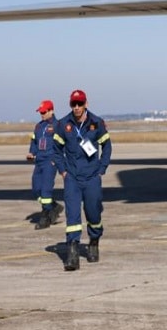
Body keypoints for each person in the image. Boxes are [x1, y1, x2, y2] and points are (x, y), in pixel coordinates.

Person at [52, 89, 112, 271]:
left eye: (80, 104)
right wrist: (63, 171)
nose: (77, 107)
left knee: (93, 214)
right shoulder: (63, 124)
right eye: (74, 104)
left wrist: (102, 169)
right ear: (71, 105)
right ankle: (72, 254)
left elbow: (107, 146)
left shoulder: (96, 123)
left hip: (92, 177)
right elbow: (56, 150)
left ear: (86, 104)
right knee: (72, 215)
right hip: (72, 178)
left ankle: (94, 241)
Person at [27, 99, 63, 229]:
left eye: (44, 111)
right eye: (40, 112)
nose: (41, 114)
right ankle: (54, 207)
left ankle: (46, 217)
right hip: (39, 161)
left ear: (51, 111)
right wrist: (32, 152)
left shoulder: (58, 125)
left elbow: (62, 144)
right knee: (36, 189)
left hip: (50, 161)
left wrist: (57, 159)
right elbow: (34, 142)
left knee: (46, 191)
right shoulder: (39, 126)